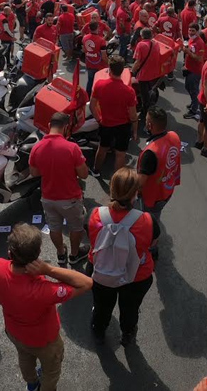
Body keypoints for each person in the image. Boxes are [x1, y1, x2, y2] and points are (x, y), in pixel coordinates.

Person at [0, 223, 93, 391]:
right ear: (37, 256)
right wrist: (49, 269)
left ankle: (32, 383)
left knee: (24, 357)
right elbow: (86, 283)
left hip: (14, 332)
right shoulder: (43, 291)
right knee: (51, 371)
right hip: (44, 340)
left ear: (10, 253)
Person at [87, 168, 156, 346]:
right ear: (135, 194)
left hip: (101, 272)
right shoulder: (147, 220)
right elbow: (153, 243)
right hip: (135, 277)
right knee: (130, 309)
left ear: (112, 190)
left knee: (102, 306)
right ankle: (128, 334)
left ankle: (99, 330)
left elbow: (90, 238)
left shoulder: (95, 214)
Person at [29, 113, 90, 267]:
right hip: (70, 198)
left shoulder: (36, 148)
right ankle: (74, 255)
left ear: (49, 125)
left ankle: (61, 254)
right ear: (65, 127)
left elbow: (34, 173)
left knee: (54, 227)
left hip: (48, 198)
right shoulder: (72, 148)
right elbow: (84, 174)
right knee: (76, 227)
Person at [90, 56, 138, 177]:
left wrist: (98, 119)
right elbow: (133, 114)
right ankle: (117, 179)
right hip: (123, 126)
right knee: (120, 154)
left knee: (102, 148)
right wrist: (135, 130)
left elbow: (92, 105)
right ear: (122, 71)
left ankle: (96, 170)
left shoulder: (99, 85)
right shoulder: (129, 91)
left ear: (109, 69)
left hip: (105, 123)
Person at [131, 28, 161, 120]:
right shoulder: (156, 43)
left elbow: (137, 61)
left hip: (144, 75)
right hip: (154, 73)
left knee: (145, 98)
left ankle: (145, 114)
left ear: (142, 36)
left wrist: (132, 71)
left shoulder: (141, 45)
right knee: (150, 91)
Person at [183, 22, 206, 119]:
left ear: (197, 31)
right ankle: (194, 102)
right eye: (189, 30)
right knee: (188, 87)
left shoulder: (199, 43)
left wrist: (187, 51)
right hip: (189, 68)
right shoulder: (191, 40)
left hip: (195, 71)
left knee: (193, 90)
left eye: (193, 31)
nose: (191, 32)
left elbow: (199, 59)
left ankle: (194, 109)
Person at [83, 21, 109, 96]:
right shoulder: (101, 40)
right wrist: (108, 64)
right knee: (100, 83)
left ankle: (87, 96)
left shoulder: (85, 38)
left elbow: (84, 50)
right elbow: (104, 56)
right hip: (100, 66)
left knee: (90, 81)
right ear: (98, 28)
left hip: (89, 63)